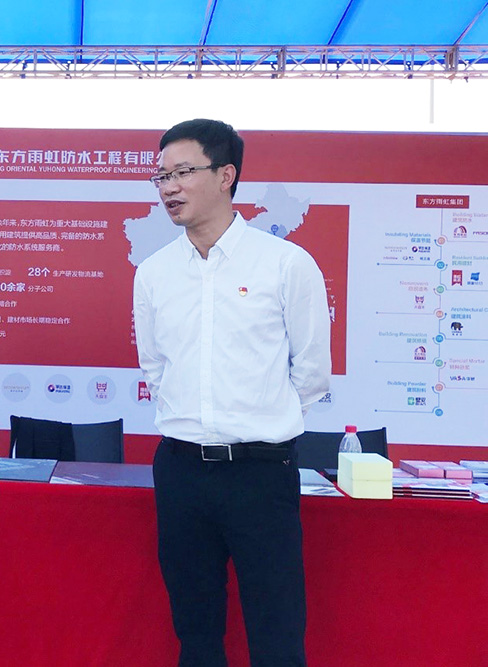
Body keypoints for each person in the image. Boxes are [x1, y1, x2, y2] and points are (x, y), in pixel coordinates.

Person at [133, 119, 331, 666]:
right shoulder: (153, 273)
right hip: (180, 472)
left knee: (276, 633)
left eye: (183, 172)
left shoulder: (285, 263)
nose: (169, 187)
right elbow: (155, 367)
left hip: (260, 473)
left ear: (226, 175)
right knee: (195, 632)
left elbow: (312, 372)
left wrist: (261, 420)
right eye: (161, 176)